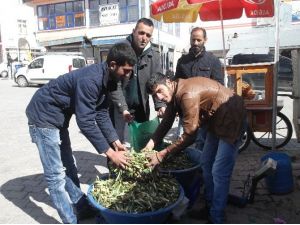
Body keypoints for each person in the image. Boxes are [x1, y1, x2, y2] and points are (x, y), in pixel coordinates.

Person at [26, 43, 136, 224]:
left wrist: (115, 141)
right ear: (113, 64)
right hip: (43, 116)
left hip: (58, 118)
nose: (128, 75)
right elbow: (85, 122)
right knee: (56, 176)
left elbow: (100, 113)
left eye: (130, 71)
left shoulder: (110, 80)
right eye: (126, 70)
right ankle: (70, 220)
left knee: (68, 164)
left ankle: (82, 208)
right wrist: (110, 153)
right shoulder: (91, 80)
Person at [144, 72, 246, 224]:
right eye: (154, 95)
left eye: (159, 90)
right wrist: (149, 145)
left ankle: (217, 217)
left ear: (168, 82)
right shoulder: (175, 92)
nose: (158, 97)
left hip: (232, 117)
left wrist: (162, 155)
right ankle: (210, 206)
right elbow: (165, 123)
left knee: (219, 171)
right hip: (215, 120)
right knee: (206, 163)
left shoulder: (186, 94)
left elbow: (190, 135)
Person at [109, 18, 166, 143]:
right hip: (119, 105)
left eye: (148, 35)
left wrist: (160, 105)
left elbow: (157, 83)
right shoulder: (120, 50)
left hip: (141, 106)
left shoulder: (154, 56)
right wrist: (123, 108)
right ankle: (114, 162)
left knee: (142, 140)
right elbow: (113, 83)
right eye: (141, 33)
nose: (144, 38)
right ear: (134, 31)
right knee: (117, 141)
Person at [174, 27, 224, 149]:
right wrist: (175, 107)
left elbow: (219, 87)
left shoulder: (213, 61)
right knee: (181, 143)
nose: (195, 43)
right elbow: (177, 85)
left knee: (201, 144)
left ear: (205, 40)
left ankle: (200, 166)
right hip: (185, 110)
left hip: (204, 114)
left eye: (198, 40)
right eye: (193, 40)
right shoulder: (182, 61)